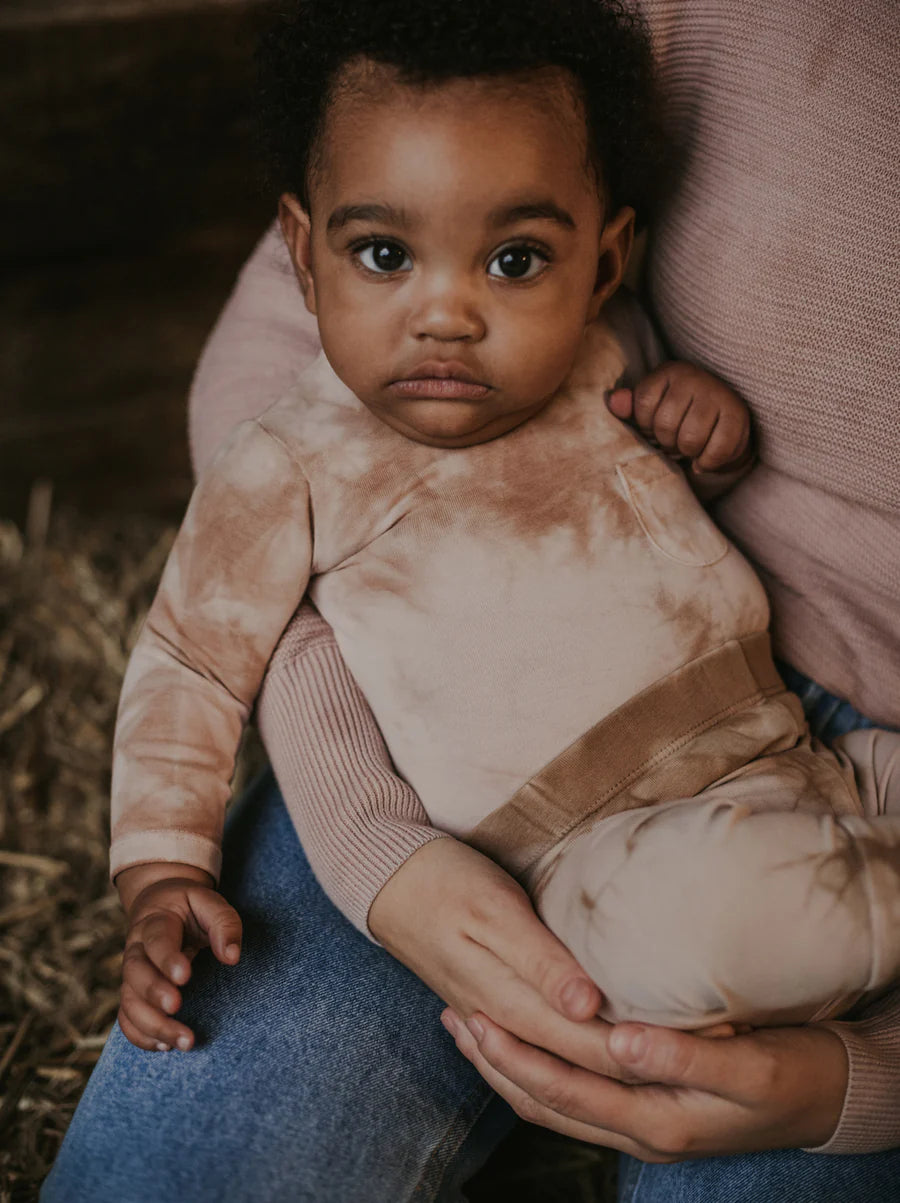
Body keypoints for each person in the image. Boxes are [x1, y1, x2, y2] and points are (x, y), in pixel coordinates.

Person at [40, 2, 900, 1202]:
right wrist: (165, 868)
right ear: (304, 252)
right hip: (545, 838)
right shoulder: (285, 464)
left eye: (514, 260)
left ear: (604, 260)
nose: (447, 313)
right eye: (385, 256)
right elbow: (189, 660)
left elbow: (642, 499)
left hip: (800, 746)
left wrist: (699, 433)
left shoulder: (605, 349)